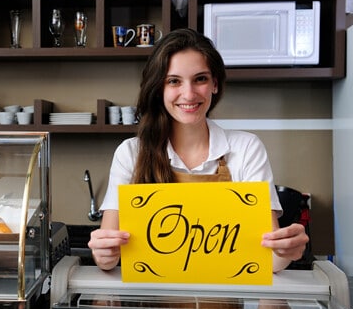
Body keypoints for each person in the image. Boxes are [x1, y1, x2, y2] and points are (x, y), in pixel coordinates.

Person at [88, 28, 309, 273]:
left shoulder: (246, 148)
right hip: (150, 304)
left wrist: (287, 251)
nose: (189, 93)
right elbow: (107, 260)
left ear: (215, 84)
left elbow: (269, 261)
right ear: (158, 88)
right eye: (174, 81)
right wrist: (104, 252)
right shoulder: (130, 153)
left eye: (200, 79)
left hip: (225, 307)